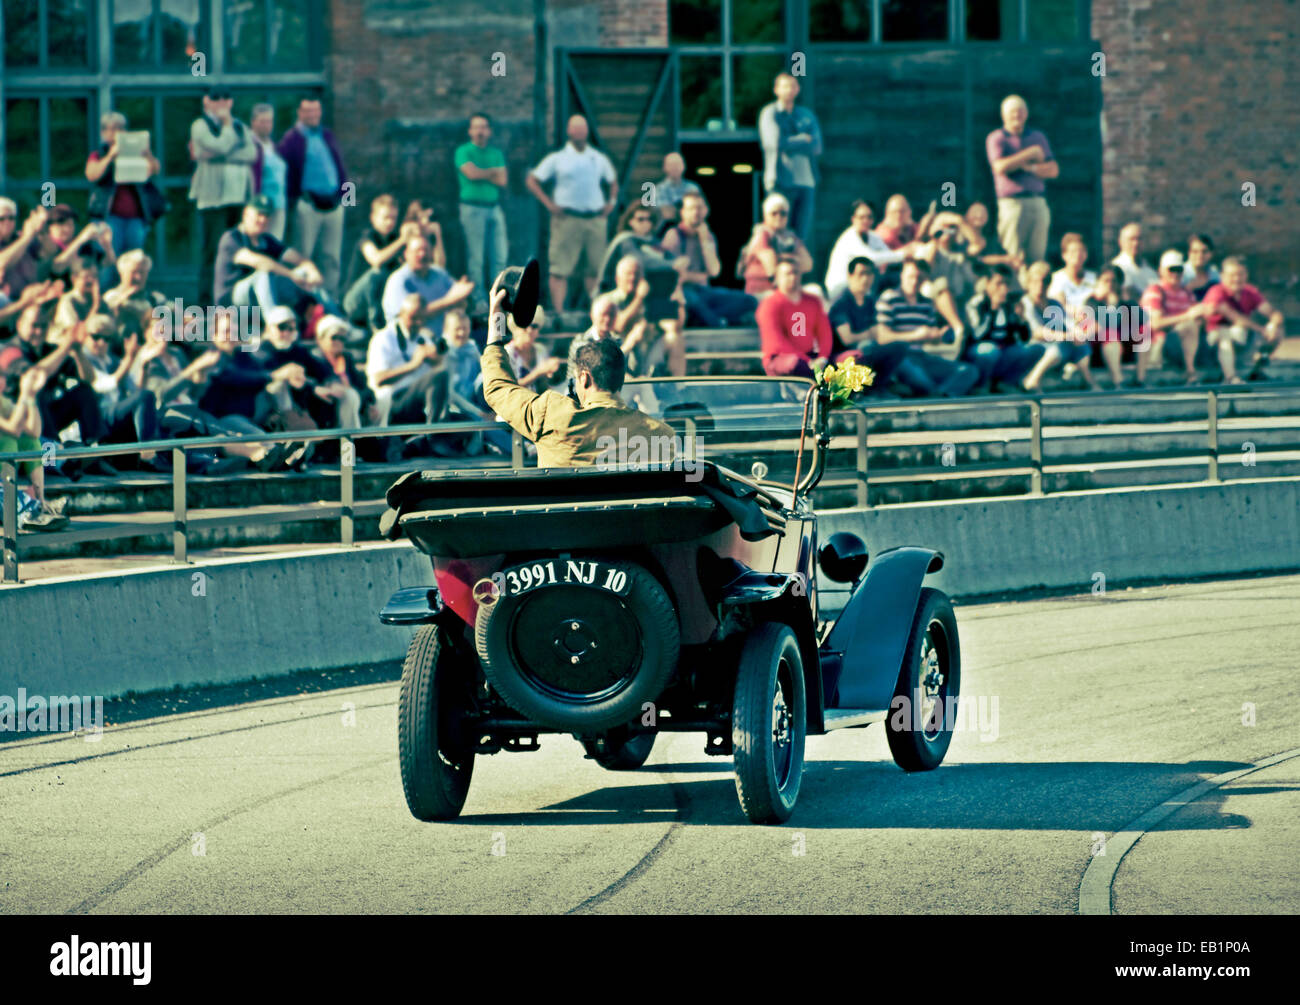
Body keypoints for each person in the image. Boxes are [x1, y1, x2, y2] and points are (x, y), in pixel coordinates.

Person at [482, 285, 675, 469]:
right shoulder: (661, 435)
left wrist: (496, 319)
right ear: (619, 379)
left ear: (584, 379)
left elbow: (497, 388)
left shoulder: (551, 415)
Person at [526, 115, 618, 314]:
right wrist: (549, 205)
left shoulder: (598, 158)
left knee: (595, 269)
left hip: (595, 219)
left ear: (587, 131)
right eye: (575, 128)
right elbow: (532, 180)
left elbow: (613, 181)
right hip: (566, 219)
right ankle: (560, 313)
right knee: (559, 269)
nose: (579, 132)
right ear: (569, 131)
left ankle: (595, 311)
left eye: (582, 128)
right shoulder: (558, 158)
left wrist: (611, 202)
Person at [188, 87, 257, 304]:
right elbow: (217, 145)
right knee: (213, 251)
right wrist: (225, 133)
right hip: (213, 200)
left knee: (240, 247)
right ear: (206, 101)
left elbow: (252, 153)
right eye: (216, 98)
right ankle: (208, 302)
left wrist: (215, 155)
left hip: (238, 198)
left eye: (226, 97)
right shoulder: (200, 125)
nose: (221, 102)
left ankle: (238, 300)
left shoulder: (239, 125)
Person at [875, 260, 980, 397]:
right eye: (911, 276)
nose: (914, 281)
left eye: (919, 278)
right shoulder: (889, 298)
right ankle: (937, 393)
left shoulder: (926, 303)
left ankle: (940, 394)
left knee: (969, 371)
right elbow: (882, 338)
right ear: (902, 276)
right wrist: (915, 335)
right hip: (900, 358)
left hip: (922, 357)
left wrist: (937, 336)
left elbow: (930, 340)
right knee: (922, 381)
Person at [277, 97, 349, 297]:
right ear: (300, 113)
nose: (312, 115)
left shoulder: (327, 135)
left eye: (316, 111)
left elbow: (341, 168)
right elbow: (284, 171)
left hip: (334, 205)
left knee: (331, 258)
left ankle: (330, 301)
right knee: (303, 256)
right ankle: (303, 302)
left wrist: (347, 199)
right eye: (308, 111)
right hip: (308, 205)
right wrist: (293, 202)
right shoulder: (292, 139)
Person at [366, 293, 453, 455]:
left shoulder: (424, 339)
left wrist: (436, 361)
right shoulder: (383, 338)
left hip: (418, 404)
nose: (418, 323)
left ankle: (424, 438)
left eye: (421, 318)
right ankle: (432, 436)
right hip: (393, 401)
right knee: (439, 376)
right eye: (413, 318)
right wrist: (413, 365)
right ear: (401, 314)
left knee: (443, 376)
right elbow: (377, 379)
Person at [758, 257, 867, 380]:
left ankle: (837, 393)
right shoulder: (769, 304)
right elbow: (777, 342)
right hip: (782, 359)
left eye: (795, 272)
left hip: (812, 358)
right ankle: (819, 387)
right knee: (794, 363)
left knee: (854, 358)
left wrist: (823, 357)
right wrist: (807, 361)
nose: (792, 277)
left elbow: (824, 332)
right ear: (777, 277)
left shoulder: (813, 301)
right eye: (787, 273)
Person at [660, 192, 757, 328]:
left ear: (706, 210)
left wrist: (704, 240)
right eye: (691, 208)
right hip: (683, 291)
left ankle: (708, 319)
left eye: (699, 208)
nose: (696, 212)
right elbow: (673, 276)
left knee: (749, 300)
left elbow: (714, 271)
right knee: (693, 300)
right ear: (682, 212)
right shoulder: (674, 235)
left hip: (704, 291)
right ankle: (718, 322)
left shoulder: (708, 236)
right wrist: (697, 276)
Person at [214, 194, 324, 312]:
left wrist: (312, 270)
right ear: (246, 214)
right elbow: (260, 262)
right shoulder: (232, 238)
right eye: (259, 214)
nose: (263, 220)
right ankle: (274, 322)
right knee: (263, 276)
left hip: (257, 303)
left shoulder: (266, 240)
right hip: (231, 303)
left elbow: (297, 258)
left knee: (303, 274)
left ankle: (329, 317)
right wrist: (291, 275)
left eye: (266, 215)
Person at [986, 94, 1057, 265]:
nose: (1016, 115)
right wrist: (1031, 154)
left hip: (1037, 201)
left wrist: (1030, 168)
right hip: (1012, 204)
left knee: (1037, 256)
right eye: (1012, 112)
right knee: (1013, 256)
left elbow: (1053, 170)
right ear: (1003, 115)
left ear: (1026, 114)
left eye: (1020, 111)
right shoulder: (997, 138)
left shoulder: (1038, 137)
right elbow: (1000, 167)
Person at [825, 257, 912, 394]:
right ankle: (860, 390)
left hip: (867, 349)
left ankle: (879, 386)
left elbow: (879, 332)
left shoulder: (869, 301)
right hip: (842, 355)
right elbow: (847, 338)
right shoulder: (841, 302)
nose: (866, 278)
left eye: (869, 273)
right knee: (866, 346)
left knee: (900, 346)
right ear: (850, 276)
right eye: (861, 273)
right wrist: (871, 333)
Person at [84, 110, 162, 256]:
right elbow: (91, 174)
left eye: (120, 128)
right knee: (109, 261)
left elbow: (155, 170)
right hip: (109, 218)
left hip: (135, 218)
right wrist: (110, 156)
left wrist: (148, 155)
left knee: (133, 260)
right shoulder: (99, 154)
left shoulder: (136, 152)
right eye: (112, 129)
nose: (117, 133)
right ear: (104, 132)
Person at [757, 73, 822, 245]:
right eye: (785, 86)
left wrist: (790, 141)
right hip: (780, 181)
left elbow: (816, 146)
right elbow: (774, 143)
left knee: (800, 235)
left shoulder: (806, 114)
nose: (789, 90)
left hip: (806, 181)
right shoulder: (770, 113)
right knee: (777, 233)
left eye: (793, 86)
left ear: (798, 89)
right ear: (776, 89)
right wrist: (802, 139)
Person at [455, 113, 509, 314]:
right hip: (472, 208)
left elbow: (502, 180)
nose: (480, 131)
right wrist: (491, 172)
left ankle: (500, 298)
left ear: (489, 131)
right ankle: (479, 301)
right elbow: (471, 173)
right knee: (476, 258)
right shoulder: (463, 151)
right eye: (476, 127)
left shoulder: (496, 153)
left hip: (494, 207)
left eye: (484, 127)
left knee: (499, 257)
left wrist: (482, 173)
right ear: (470, 131)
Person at [960, 267, 1046, 392]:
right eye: (999, 283)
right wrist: (993, 310)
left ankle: (1005, 383)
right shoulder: (976, 304)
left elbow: (1025, 338)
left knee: (1037, 349)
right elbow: (977, 334)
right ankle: (980, 386)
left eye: (1006, 284)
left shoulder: (1009, 305)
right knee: (990, 351)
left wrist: (1021, 318)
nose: (1003, 288)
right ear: (988, 284)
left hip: (1002, 352)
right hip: (979, 353)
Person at [1202, 257, 1286, 384]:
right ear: (1222, 276)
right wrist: (1262, 329)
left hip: (1242, 335)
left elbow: (1273, 313)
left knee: (1277, 332)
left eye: (1240, 274)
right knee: (1225, 336)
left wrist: (1273, 325)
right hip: (1212, 342)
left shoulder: (1250, 291)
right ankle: (1230, 378)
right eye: (1232, 275)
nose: (1236, 279)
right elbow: (1235, 318)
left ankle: (1257, 371)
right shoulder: (1216, 292)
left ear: (1246, 275)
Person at [1019, 260, 1095, 390]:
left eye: (1044, 281)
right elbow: (1036, 332)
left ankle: (1088, 381)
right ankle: (1032, 379)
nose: (1040, 285)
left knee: (1082, 346)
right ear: (1029, 283)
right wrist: (1066, 336)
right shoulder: (1025, 303)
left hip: (1054, 342)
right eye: (1035, 281)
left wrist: (1077, 333)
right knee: (1058, 348)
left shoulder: (1054, 303)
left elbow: (1067, 323)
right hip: (1032, 345)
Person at [342, 194, 414, 330]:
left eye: (393, 218)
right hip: (355, 304)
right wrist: (403, 240)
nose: (389, 222)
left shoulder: (395, 239)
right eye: (385, 217)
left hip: (383, 302)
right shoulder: (367, 237)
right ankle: (376, 326)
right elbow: (377, 260)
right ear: (373, 217)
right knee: (376, 275)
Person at [1140, 249, 1210, 385]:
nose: (1176, 273)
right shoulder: (1155, 291)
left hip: (1184, 343)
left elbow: (1197, 318)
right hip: (1160, 344)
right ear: (1161, 270)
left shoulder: (1187, 293)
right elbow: (1155, 323)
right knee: (1189, 325)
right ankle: (1190, 371)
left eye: (1179, 269)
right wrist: (1188, 316)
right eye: (1171, 269)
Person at [606, 255, 685, 377]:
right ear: (617, 278)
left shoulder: (651, 298)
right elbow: (619, 325)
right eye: (628, 274)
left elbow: (675, 326)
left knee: (675, 338)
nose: (633, 278)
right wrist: (639, 298)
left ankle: (678, 388)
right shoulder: (609, 300)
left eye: (636, 274)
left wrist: (680, 303)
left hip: (647, 353)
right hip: (622, 356)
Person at [380, 235, 474, 332]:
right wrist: (450, 300)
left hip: (444, 341)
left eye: (426, 250)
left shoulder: (440, 274)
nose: (422, 254)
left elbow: (460, 297)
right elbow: (413, 316)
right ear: (406, 254)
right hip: (409, 342)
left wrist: (463, 296)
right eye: (417, 251)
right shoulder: (398, 280)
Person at [824, 200, 910, 300]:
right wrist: (904, 254)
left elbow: (888, 254)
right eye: (861, 217)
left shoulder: (873, 236)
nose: (865, 220)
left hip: (862, 288)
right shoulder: (849, 237)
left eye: (869, 217)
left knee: (896, 277)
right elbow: (870, 259)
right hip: (840, 291)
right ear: (853, 219)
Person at [741, 192, 814, 298]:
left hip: (786, 289)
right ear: (765, 215)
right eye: (774, 213)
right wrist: (793, 259)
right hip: (762, 292)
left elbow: (808, 265)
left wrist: (783, 258)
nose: (778, 217)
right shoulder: (762, 234)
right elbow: (772, 269)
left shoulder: (790, 236)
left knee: (815, 292)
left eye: (783, 213)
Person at [249, 103, 289, 241]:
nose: (266, 125)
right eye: (262, 121)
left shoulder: (273, 145)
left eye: (269, 121)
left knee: (276, 244)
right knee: (261, 244)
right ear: (253, 122)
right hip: (261, 206)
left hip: (279, 203)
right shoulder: (249, 144)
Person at [653, 152, 701, 230]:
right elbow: (667, 214)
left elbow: (702, 211)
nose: (675, 167)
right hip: (666, 232)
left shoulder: (693, 187)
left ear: (684, 166)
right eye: (671, 165)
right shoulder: (658, 190)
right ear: (664, 168)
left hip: (691, 231)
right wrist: (688, 211)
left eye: (677, 164)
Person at [1111, 222, 1158, 298]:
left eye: (1139, 239)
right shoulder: (1116, 268)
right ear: (1121, 241)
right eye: (1131, 239)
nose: (1136, 243)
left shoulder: (1151, 271)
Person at [1183, 233, 1220, 300]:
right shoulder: (1179, 273)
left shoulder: (1215, 274)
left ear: (1211, 253)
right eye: (1195, 251)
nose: (1200, 255)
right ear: (1189, 253)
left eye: (1204, 251)